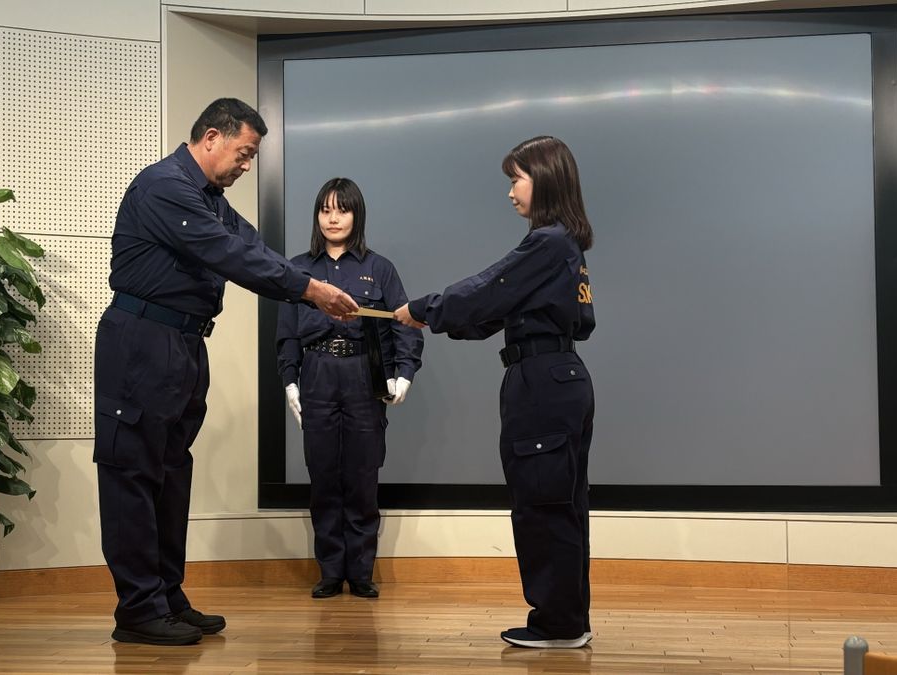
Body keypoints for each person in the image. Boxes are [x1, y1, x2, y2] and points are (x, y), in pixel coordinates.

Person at [93, 98, 358, 646]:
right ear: (212, 137)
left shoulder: (212, 200)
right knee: (134, 473)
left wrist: (310, 283)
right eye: (243, 153)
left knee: (170, 473)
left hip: (184, 345)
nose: (246, 165)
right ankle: (137, 609)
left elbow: (253, 249)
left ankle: (166, 596)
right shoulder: (165, 185)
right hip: (141, 342)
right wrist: (310, 289)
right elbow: (227, 255)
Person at [394, 136, 597, 649]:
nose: (511, 191)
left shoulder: (547, 242)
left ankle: (558, 624)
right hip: (560, 377)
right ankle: (568, 618)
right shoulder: (563, 245)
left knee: (543, 503)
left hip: (542, 383)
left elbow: (488, 288)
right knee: (562, 503)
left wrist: (424, 309)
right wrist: (441, 320)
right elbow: (502, 309)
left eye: (517, 178)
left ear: (545, 179)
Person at [276, 178, 424, 600]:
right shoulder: (298, 270)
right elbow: (286, 333)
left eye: (342, 209)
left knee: (362, 476)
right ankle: (329, 571)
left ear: (356, 215)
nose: (333, 218)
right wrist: (290, 379)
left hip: (364, 375)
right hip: (317, 374)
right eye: (325, 209)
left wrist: (405, 372)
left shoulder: (380, 269)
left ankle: (360, 571)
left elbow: (404, 326)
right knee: (323, 476)